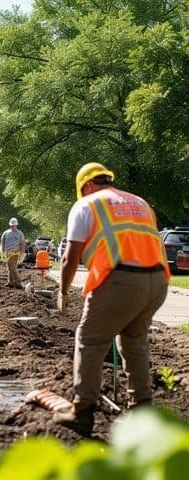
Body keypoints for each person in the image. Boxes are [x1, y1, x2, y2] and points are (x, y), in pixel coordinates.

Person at [54, 162, 170, 435]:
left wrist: (62, 290)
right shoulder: (139, 202)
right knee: (134, 342)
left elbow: (71, 258)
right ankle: (141, 409)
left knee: (90, 339)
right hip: (157, 282)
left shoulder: (86, 205)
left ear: (86, 186)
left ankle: (81, 411)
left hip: (120, 280)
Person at [0, 217, 26, 288]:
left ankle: (18, 281)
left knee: (12, 267)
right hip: (8, 252)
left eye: (14, 225)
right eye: (12, 225)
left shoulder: (20, 233)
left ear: (16, 225)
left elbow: (22, 243)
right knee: (9, 267)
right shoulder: (6, 233)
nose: (13, 226)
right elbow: (2, 242)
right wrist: (2, 251)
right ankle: (11, 282)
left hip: (15, 252)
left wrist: (22, 253)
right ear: (10, 225)